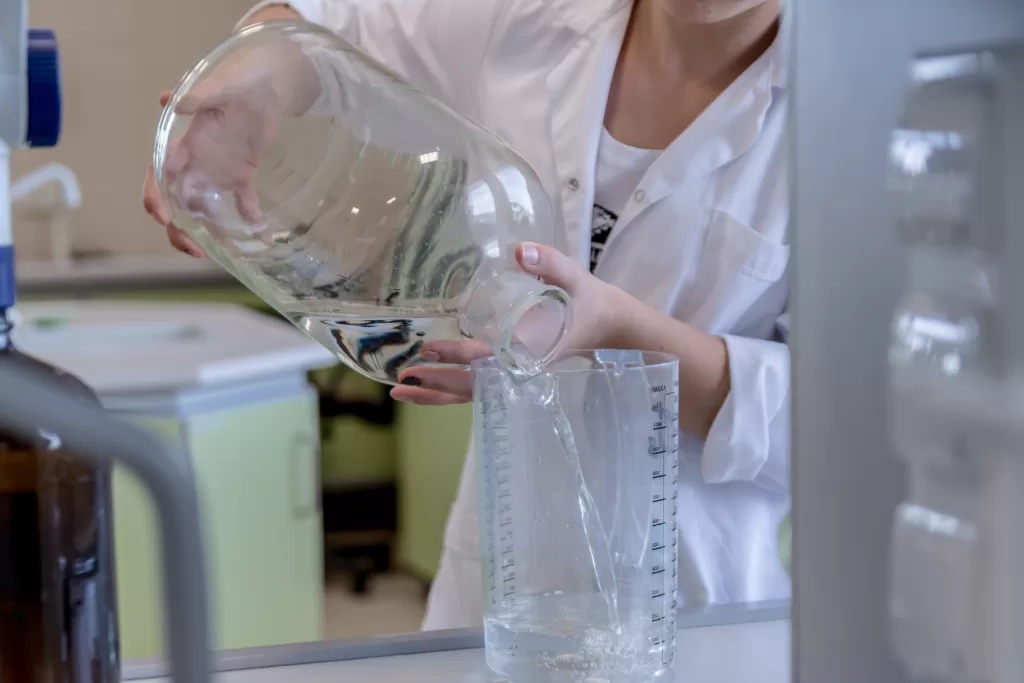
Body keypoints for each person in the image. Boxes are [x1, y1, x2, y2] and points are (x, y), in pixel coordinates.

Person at [143, 0, 791, 630]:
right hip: (502, 588)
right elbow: (311, 30)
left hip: (697, 605)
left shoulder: (866, 115)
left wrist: (614, 332)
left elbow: (851, 436)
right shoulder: (531, 17)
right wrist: (249, 87)